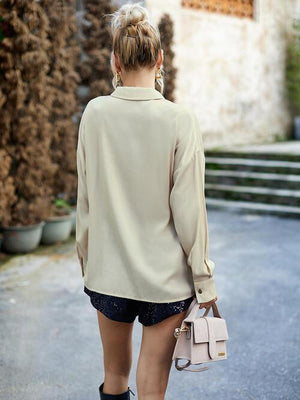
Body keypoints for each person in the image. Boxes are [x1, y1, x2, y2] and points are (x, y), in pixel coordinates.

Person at [75, 2, 218, 400]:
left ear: (115, 61)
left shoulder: (95, 113)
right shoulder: (180, 119)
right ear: (159, 59)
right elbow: (190, 210)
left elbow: (86, 198)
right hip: (166, 281)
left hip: (108, 275)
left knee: (115, 375)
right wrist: (204, 279)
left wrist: (88, 260)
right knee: (152, 388)